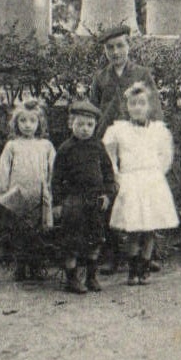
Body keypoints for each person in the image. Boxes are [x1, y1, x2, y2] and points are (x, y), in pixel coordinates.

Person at [102, 79, 179, 286]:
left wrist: (156, 174)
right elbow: (109, 155)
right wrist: (117, 174)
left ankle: (144, 267)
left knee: (150, 227)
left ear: (149, 106)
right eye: (133, 103)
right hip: (130, 181)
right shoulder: (119, 130)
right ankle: (132, 269)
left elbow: (166, 156)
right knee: (134, 228)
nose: (137, 107)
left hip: (152, 182)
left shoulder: (159, 130)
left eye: (142, 103)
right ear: (127, 107)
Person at [51, 96, 116, 295]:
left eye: (89, 125)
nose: (84, 129)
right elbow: (56, 178)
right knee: (72, 239)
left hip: (95, 199)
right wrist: (57, 203)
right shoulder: (65, 148)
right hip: (74, 200)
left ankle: (91, 276)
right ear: (71, 124)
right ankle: (71, 279)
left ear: (95, 126)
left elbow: (108, 173)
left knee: (95, 237)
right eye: (80, 124)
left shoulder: (98, 147)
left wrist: (107, 194)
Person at [0, 97, 55, 281]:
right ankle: (20, 267)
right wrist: (4, 191)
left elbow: (53, 168)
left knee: (37, 232)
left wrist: (50, 189)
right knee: (19, 232)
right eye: (23, 121)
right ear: (16, 123)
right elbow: (3, 169)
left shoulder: (45, 146)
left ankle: (36, 267)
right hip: (17, 194)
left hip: (38, 195)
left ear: (39, 123)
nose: (27, 125)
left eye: (32, 121)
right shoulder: (12, 146)